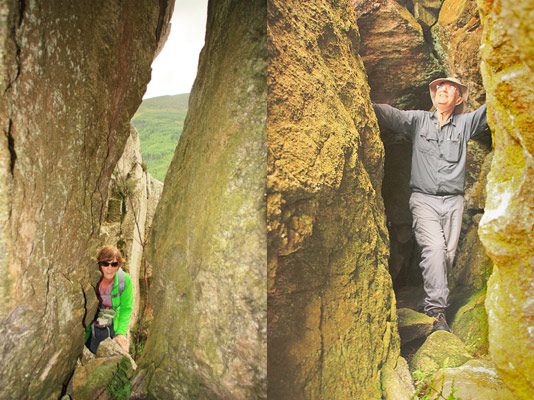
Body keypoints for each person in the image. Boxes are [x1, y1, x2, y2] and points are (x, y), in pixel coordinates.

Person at [373, 77, 488, 332]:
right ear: (433, 96)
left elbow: (492, 111)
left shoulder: (465, 124)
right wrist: (359, 99)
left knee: (446, 257)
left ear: (458, 99)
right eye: (438, 87)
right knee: (435, 249)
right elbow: (390, 115)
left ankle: (429, 297)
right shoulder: (418, 120)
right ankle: (436, 313)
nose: (443, 90)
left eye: (450, 88)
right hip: (423, 200)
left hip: (454, 202)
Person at [85, 245, 133, 353]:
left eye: (114, 264)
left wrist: (121, 333)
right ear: (99, 265)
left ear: (118, 265)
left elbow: (126, 308)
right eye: (105, 264)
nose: (110, 268)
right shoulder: (91, 279)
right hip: (92, 327)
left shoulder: (124, 281)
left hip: (112, 327)